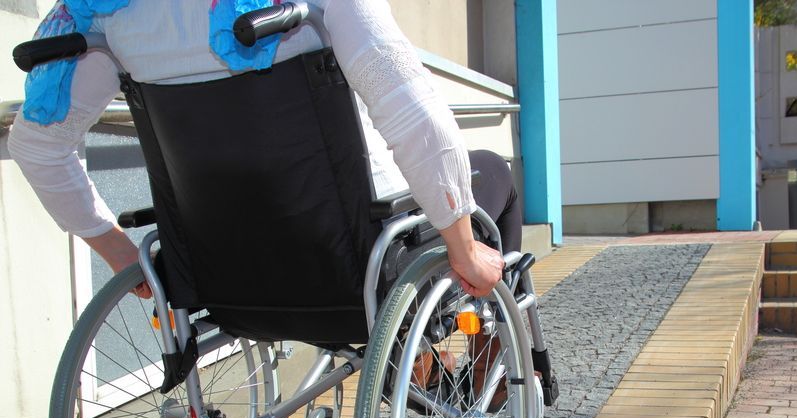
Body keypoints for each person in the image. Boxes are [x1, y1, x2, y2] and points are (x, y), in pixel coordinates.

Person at [8, 0, 522, 299]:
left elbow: (38, 148)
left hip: (217, 272)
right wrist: (463, 248)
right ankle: (484, 349)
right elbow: (410, 110)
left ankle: (430, 368)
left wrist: (124, 259)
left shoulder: (105, 13)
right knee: (493, 174)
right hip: (351, 255)